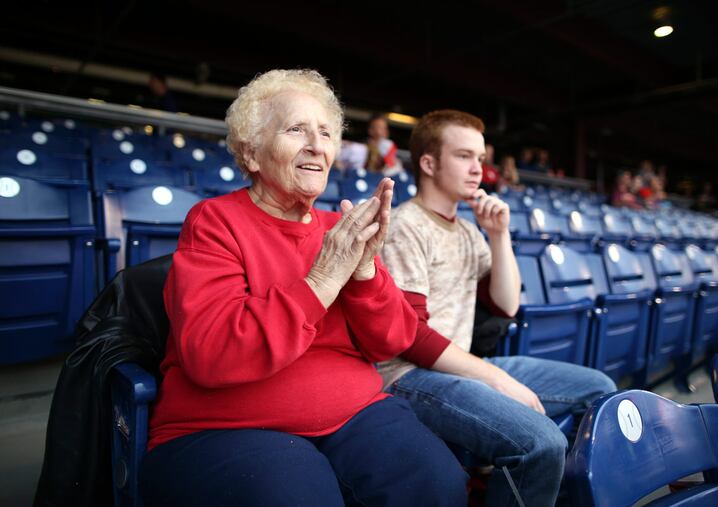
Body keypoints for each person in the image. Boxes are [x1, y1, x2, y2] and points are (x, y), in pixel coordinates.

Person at [140, 70, 468, 507]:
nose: (317, 145)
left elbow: (392, 339)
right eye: (297, 129)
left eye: (326, 133)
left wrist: (365, 271)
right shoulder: (216, 221)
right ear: (252, 153)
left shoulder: (341, 229)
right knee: (297, 493)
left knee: (437, 481)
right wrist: (322, 280)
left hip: (354, 412)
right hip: (226, 427)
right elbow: (212, 354)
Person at [379, 109, 617, 507]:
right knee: (540, 441)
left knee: (599, 391)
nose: (478, 169)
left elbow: (506, 305)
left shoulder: (469, 231)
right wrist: (495, 377)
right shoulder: (405, 226)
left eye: (481, 159)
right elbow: (410, 336)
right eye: (464, 156)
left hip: (457, 365)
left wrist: (499, 234)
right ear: (428, 163)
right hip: (408, 375)